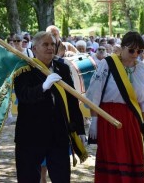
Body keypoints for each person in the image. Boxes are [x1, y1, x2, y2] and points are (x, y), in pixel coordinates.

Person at [13, 31, 86, 182]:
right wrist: (43, 87)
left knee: (61, 177)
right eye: (45, 44)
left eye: (53, 44)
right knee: (28, 178)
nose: (50, 48)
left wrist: (79, 129)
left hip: (58, 134)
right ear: (34, 49)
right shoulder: (24, 68)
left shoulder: (62, 67)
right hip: (31, 134)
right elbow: (24, 95)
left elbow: (72, 100)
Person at [86, 31, 144, 183]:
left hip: (132, 119)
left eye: (139, 51)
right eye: (131, 50)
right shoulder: (107, 64)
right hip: (110, 118)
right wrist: (94, 121)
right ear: (122, 47)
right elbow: (94, 94)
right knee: (114, 155)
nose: (135, 54)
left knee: (133, 156)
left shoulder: (141, 68)